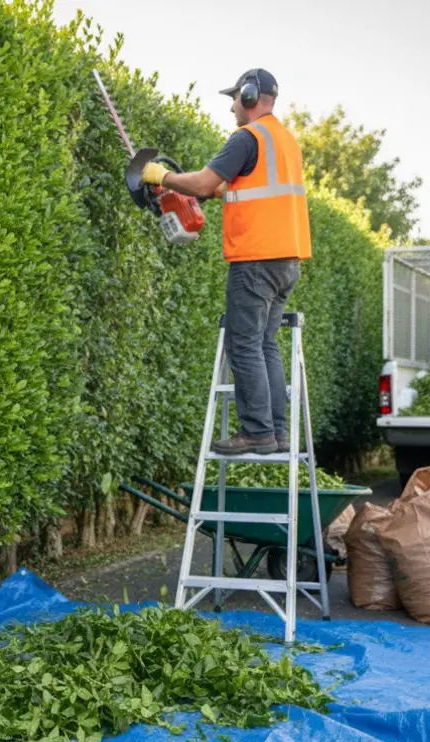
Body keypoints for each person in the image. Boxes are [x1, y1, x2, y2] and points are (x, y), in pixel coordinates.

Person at [139, 68, 312, 456]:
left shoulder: (246, 138)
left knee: (243, 343)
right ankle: (277, 432)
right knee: (266, 343)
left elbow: (202, 183)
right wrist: (194, 190)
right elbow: (221, 188)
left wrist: (161, 175)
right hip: (287, 260)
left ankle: (256, 433)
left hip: (255, 259)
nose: (232, 107)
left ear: (250, 97)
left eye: (235, 98)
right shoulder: (284, 140)